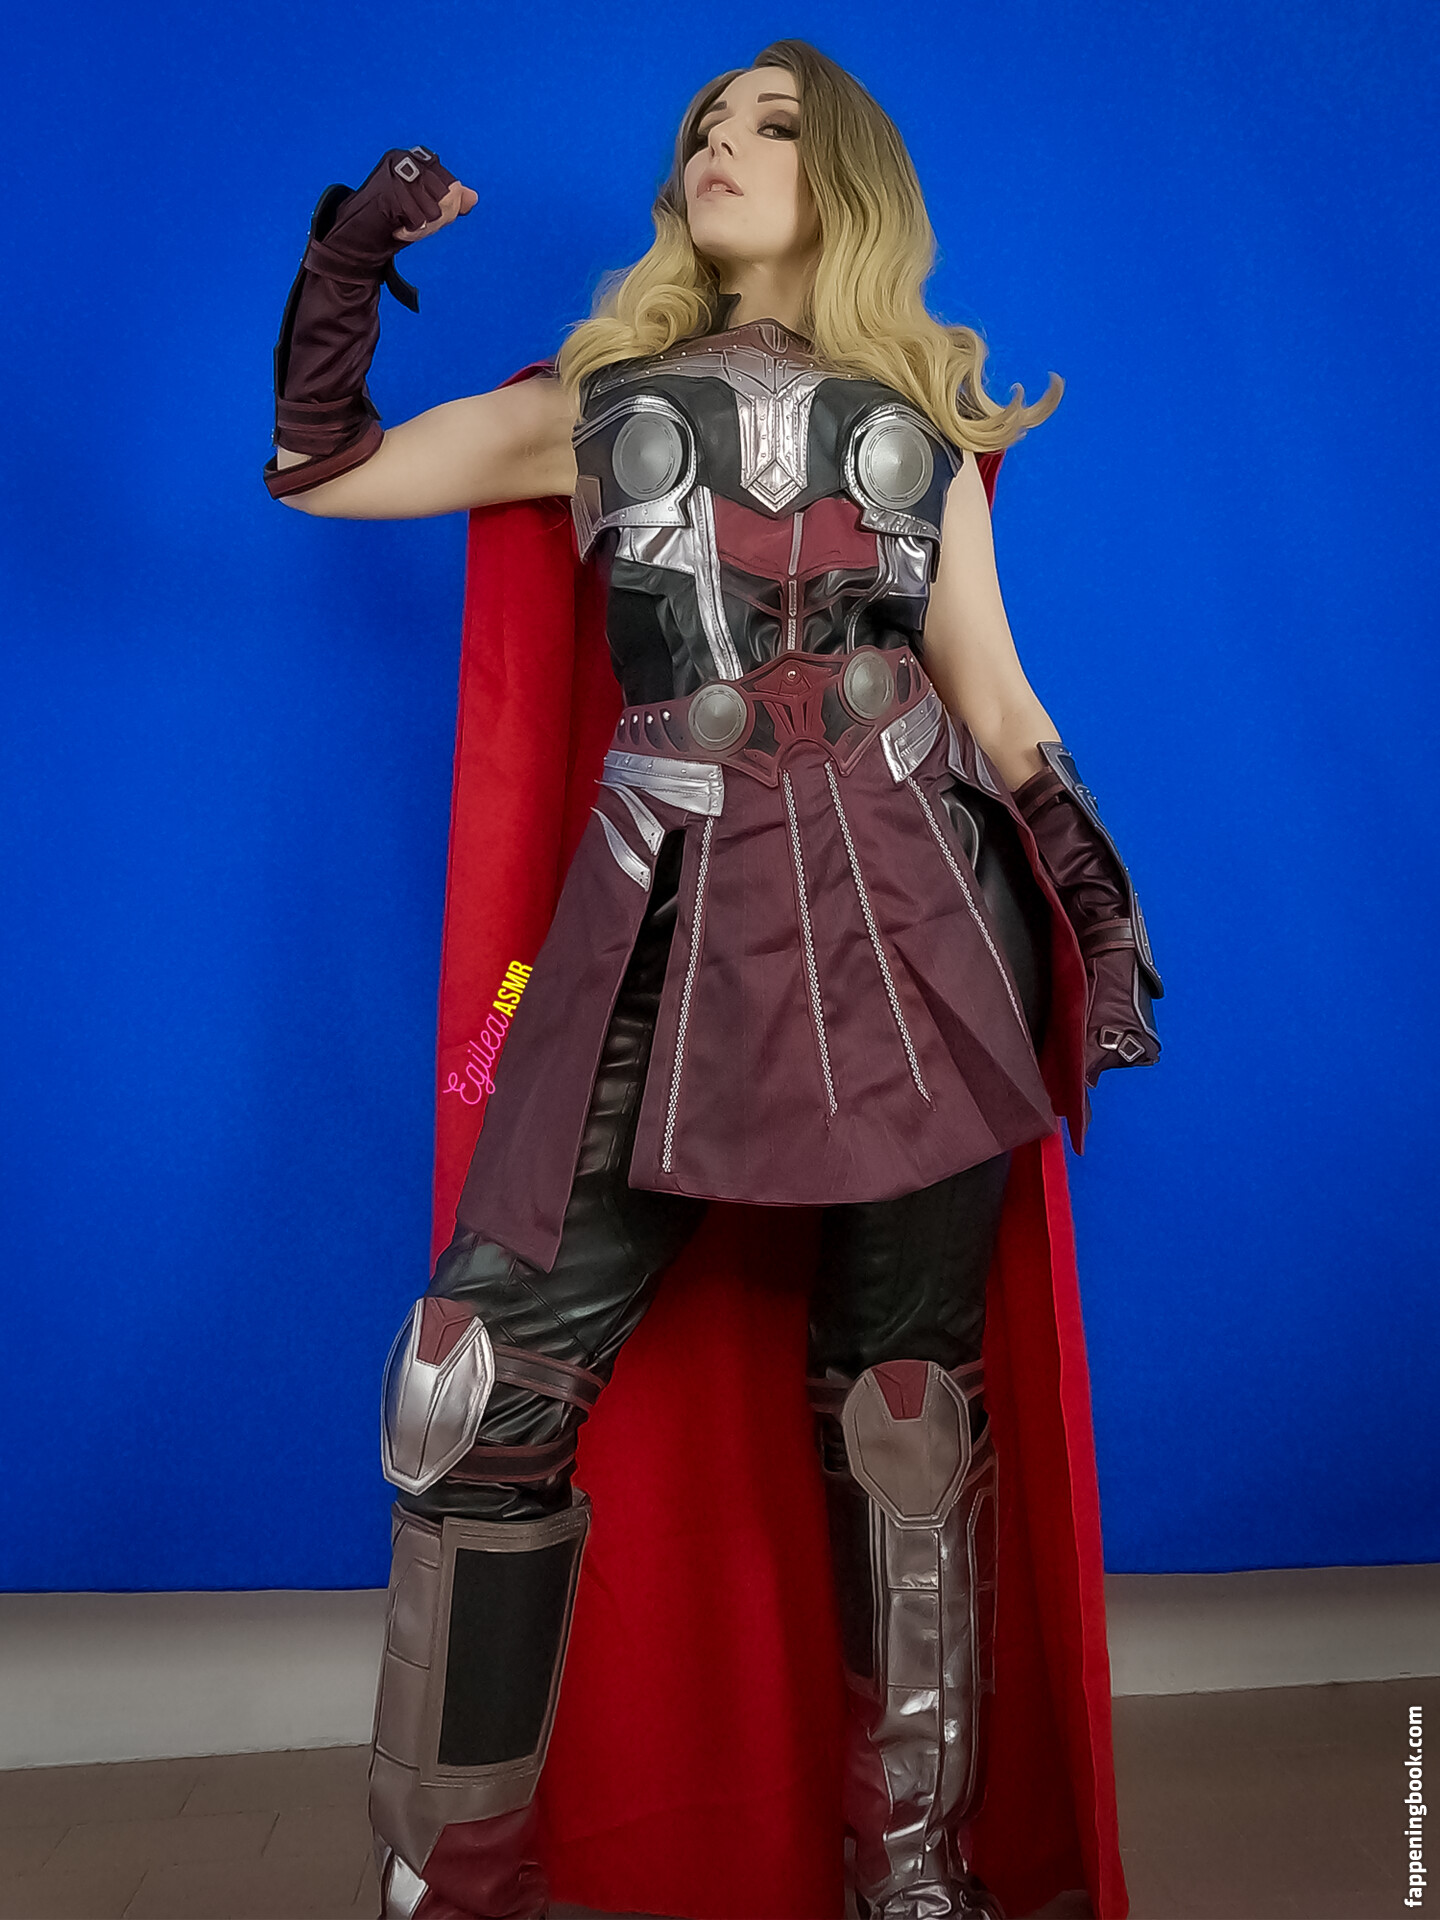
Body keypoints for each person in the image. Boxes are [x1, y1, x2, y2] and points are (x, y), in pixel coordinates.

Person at [265, 40, 1160, 1920]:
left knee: (904, 1416)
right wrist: (346, 262)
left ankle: (910, 1880)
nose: (720, 148)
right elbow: (321, 472)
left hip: (923, 931)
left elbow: (994, 694)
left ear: (848, 175)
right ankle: (458, 1893)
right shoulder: (596, 402)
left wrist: (1092, 900)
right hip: (660, 909)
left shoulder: (921, 416)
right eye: (702, 128)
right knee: (472, 1389)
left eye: (770, 123)